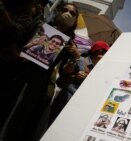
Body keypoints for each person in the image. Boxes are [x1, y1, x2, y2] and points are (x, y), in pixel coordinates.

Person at [0, 2, 80, 141]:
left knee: (15, 120)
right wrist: (16, 51)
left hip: (36, 86)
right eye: (65, 10)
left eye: (72, 13)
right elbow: (18, 38)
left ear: (75, 21)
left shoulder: (70, 45)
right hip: (16, 74)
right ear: (59, 12)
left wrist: (75, 57)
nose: (67, 13)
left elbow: (64, 75)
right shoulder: (40, 26)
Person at [49, 40, 110, 125]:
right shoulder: (80, 60)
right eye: (107, 53)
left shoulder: (100, 68)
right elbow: (64, 73)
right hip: (65, 100)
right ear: (99, 52)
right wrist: (76, 76)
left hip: (79, 105)